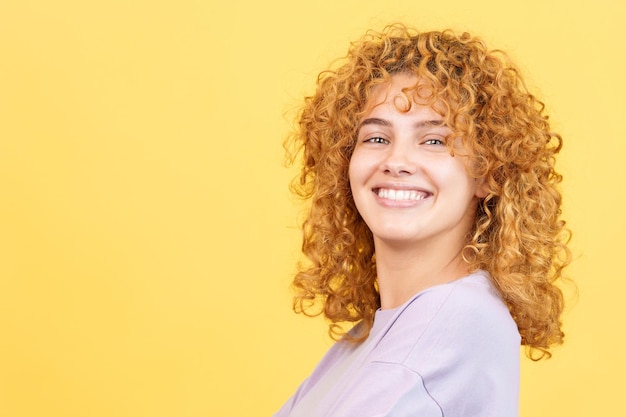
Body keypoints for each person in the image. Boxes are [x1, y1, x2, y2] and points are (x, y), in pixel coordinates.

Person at [275, 24, 571, 417]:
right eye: (376, 138)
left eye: (434, 140)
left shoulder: (456, 327)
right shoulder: (368, 339)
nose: (396, 162)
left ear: (488, 173)